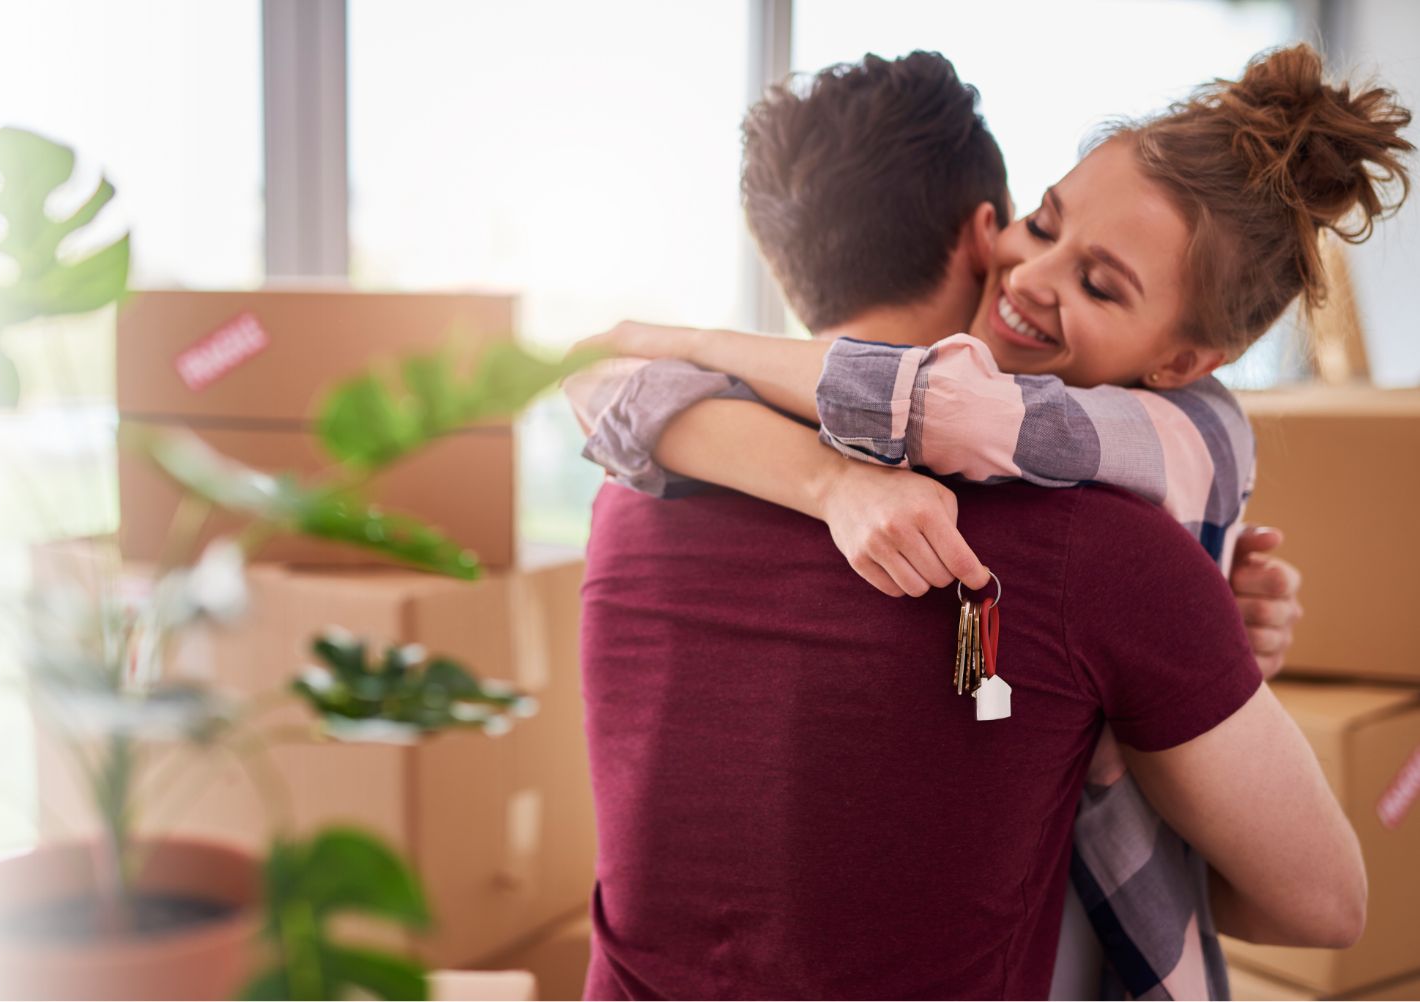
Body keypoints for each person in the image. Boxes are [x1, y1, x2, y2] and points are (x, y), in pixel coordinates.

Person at [573, 45, 1406, 999]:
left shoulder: (633, 485)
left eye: (1099, 283)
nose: (1035, 272)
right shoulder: (1105, 556)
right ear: (985, 230)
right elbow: (1323, 907)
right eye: (1041, 223)